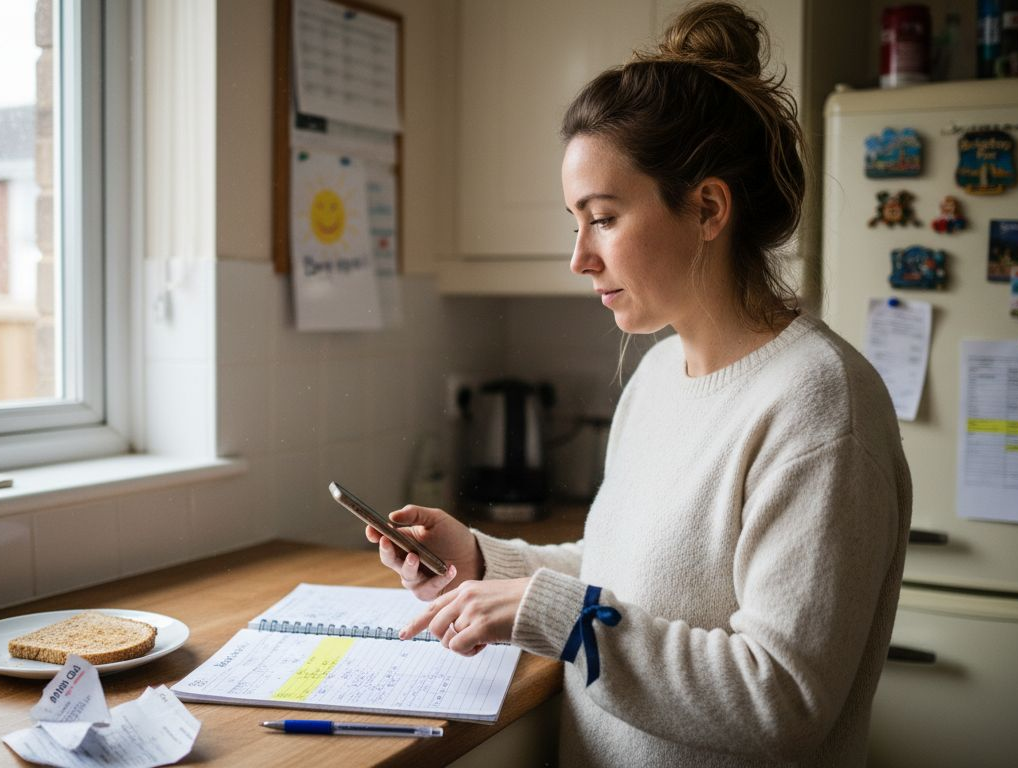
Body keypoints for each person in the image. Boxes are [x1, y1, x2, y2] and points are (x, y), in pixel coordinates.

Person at [364, 3, 911, 765]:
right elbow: (623, 576)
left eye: (605, 218)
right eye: (574, 222)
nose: (579, 257)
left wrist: (556, 618)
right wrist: (483, 561)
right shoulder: (659, 371)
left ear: (708, 208)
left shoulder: (820, 405)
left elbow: (782, 699)